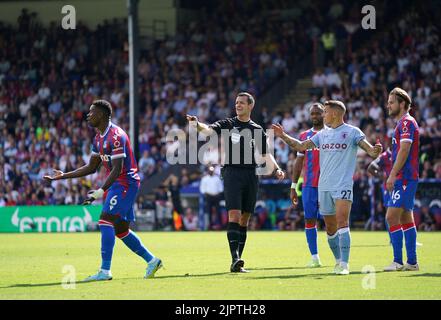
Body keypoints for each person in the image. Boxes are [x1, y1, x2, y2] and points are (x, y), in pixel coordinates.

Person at [43, 100, 162, 281]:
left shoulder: (116, 136)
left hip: (125, 183)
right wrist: (62, 176)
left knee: (105, 221)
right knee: (121, 230)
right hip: (117, 185)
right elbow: (91, 167)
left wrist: (100, 191)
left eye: (91, 112)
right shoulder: (98, 138)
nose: (88, 115)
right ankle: (152, 261)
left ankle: (105, 271)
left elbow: (117, 168)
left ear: (102, 115)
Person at [272, 100, 382, 275]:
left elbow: (370, 151)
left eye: (325, 112)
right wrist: (283, 135)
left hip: (343, 185)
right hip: (324, 186)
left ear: (335, 114)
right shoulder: (322, 135)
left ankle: (345, 264)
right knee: (330, 227)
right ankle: (338, 261)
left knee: (342, 222)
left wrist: (375, 151)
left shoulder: (353, 132)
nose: (323, 115)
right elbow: (301, 146)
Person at [187, 92, 285, 273]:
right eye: (236, 103)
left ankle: (237, 260)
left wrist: (277, 168)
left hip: (251, 174)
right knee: (234, 214)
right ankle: (235, 258)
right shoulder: (228, 124)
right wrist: (196, 124)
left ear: (250, 106)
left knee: (245, 218)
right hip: (232, 173)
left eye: (241, 103)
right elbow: (208, 130)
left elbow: (265, 154)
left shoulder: (256, 129)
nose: (238, 105)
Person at [383, 88, 420, 271]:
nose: (388, 105)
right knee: (406, 218)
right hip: (406, 177)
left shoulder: (406, 123)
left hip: (404, 177)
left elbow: (404, 150)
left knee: (391, 217)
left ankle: (398, 261)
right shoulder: (402, 123)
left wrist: (392, 174)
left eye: (391, 102)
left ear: (402, 103)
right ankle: (412, 262)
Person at [290, 103, 325, 268]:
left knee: (335, 220)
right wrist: (293, 186)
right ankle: (315, 257)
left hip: (328, 184)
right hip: (310, 185)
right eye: (312, 114)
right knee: (310, 219)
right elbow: (298, 162)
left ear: (324, 114)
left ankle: (340, 259)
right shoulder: (304, 136)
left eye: (318, 113)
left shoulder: (332, 134)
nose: (315, 116)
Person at [367, 142, 393, 243]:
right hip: (388, 189)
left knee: (404, 212)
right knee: (390, 213)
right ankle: (392, 239)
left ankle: (409, 238)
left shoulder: (399, 153)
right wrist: (381, 175)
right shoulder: (384, 156)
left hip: (400, 186)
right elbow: (370, 167)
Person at [199, 166, 224, 230]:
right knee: (209, 212)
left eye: (212, 170)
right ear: (208, 171)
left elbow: (221, 189)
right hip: (208, 196)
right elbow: (202, 189)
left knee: (218, 211)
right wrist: (207, 194)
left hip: (216, 196)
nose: (211, 171)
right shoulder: (204, 179)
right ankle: (209, 226)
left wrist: (217, 194)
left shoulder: (217, 178)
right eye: (210, 170)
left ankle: (220, 225)